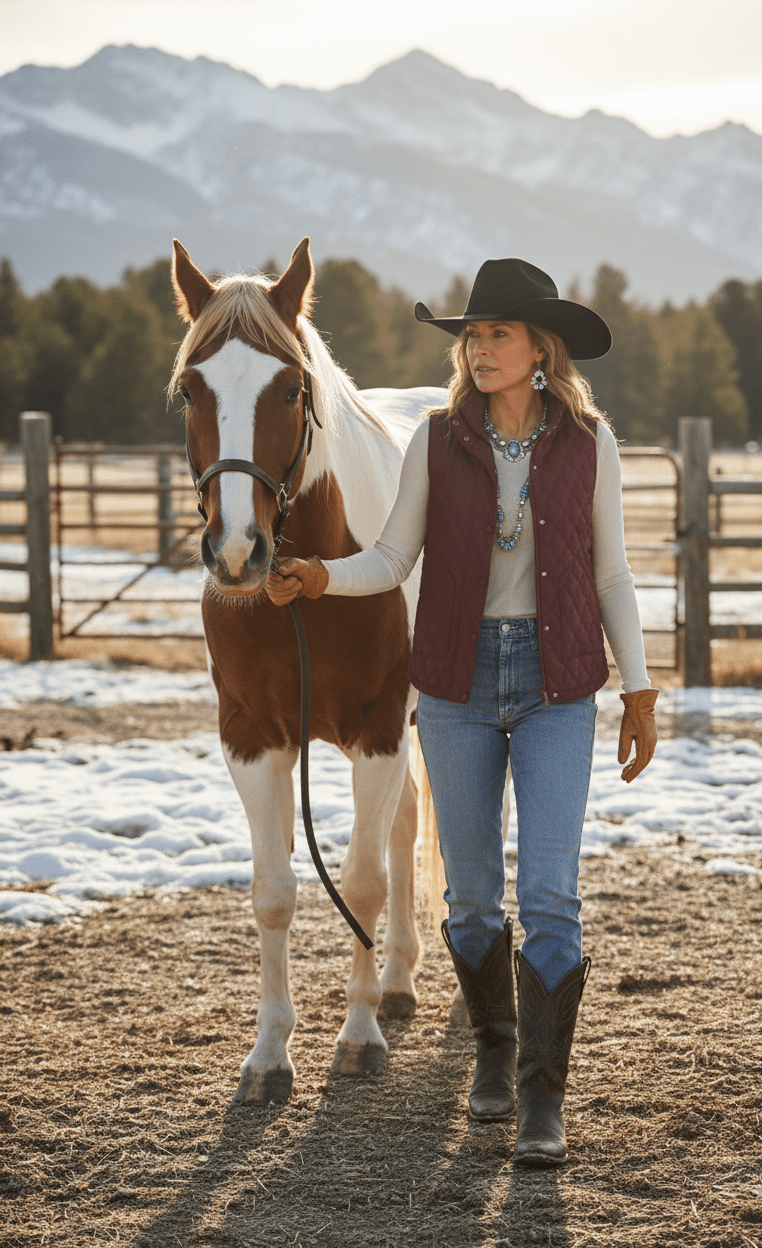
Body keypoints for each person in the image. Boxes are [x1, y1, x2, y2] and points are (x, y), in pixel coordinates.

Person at [266, 258, 658, 1167]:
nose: (479, 351)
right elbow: (395, 555)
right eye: (471, 337)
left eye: (497, 335)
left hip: (561, 683)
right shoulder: (435, 443)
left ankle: (541, 1104)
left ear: (540, 350)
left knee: (551, 894)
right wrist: (322, 576)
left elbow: (612, 574)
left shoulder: (591, 445)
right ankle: (494, 1050)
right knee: (474, 896)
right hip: (456, 684)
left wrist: (637, 689)